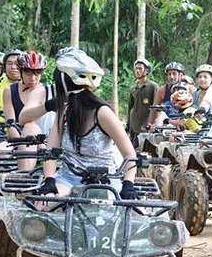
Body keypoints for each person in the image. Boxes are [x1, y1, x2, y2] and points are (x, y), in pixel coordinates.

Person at [37, 48, 138, 199]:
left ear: (63, 84)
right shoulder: (63, 112)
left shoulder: (102, 113)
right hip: (68, 178)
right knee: (46, 203)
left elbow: (130, 155)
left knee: (131, 214)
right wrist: (49, 179)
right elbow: (51, 150)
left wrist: (128, 184)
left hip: (105, 181)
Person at [2, 50, 48, 170]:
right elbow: (11, 124)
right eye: (28, 73)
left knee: (31, 127)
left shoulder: (48, 91)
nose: (33, 78)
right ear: (21, 72)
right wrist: (20, 144)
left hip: (46, 140)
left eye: (37, 73)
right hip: (19, 137)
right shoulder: (10, 91)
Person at [146, 61, 192, 126]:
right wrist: (150, 124)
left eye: (174, 74)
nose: (171, 76)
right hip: (166, 123)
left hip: (184, 122)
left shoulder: (190, 88)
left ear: (181, 75)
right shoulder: (162, 90)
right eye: (169, 74)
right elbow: (154, 108)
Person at [126, 58, 158, 147]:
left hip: (145, 127)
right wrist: (128, 126)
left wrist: (152, 124)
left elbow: (156, 107)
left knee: (142, 151)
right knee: (133, 150)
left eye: (140, 68)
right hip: (133, 126)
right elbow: (130, 107)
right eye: (136, 68)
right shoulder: (133, 88)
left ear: (146, 71)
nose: (137, 71)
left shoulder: (152, 86)